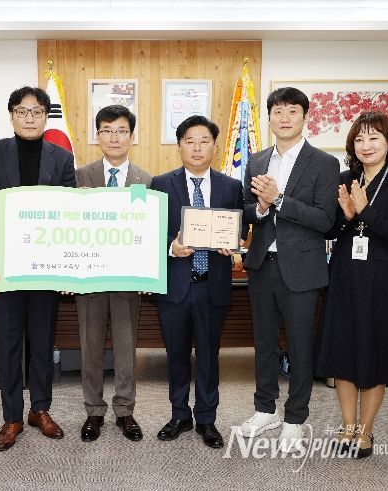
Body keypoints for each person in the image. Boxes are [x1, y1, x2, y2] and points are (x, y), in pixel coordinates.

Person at [0, 86, 76, 451]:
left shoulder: (62, 158)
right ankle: (12, 416)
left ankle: (40, 409)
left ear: (46, 116)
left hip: (45, 265)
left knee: (43, 341)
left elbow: (70, 212)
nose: (29, 118)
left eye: (36, 112)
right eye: (22, 111)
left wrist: (66, 263)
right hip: (6, 266)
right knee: (9, 342)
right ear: (11, 115)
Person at [239, 87, 339, 453]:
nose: (284, 118)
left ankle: (295, 417)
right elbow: (247, 211)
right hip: (262, 265)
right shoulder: (256, 160)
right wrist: (261, 208)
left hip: (302, 268)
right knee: (264, 343)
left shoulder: (324, 163)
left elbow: (326, 221)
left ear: (304, 117)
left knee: (300, 346)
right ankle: (265, 409)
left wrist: (279, 199)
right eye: (278, 111)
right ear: (269, 118)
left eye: (292, 111)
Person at [315, 111, 388, 458]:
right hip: (345, 275)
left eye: (374, 137)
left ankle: (365, 430)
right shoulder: (345, 179)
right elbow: (329, 230)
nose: (366, 145)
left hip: (383, 280)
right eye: (359, 139)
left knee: (376, 353)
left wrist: (366, 211)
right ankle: (347, 426)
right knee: (343, 350)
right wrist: (346, 217)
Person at [150, 115, 244, 449]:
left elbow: (240, 229)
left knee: (208, 356)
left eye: (204, 141)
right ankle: (179, 415)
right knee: (175, 355)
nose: (197, 147)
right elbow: (149, 230)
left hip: (211, 285)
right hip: (175, 285)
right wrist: (170, 247)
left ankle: (206, 418)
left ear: (215, 146)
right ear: (179, 146)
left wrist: (233, 243)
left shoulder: (231, 187)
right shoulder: (161, 183)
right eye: (189, 141)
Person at [75, 105, 151, 443]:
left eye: (121, 130)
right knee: (90, 346)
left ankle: (125, 410)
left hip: (127, 278)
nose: (114, 137)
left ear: (131, 136)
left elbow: (147, 231)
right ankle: (93, 410)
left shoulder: (145, 180)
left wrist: (148, 273)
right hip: (89, 277)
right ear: (98, 136)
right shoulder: (80, 177)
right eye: (107, 130)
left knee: (125, 346)